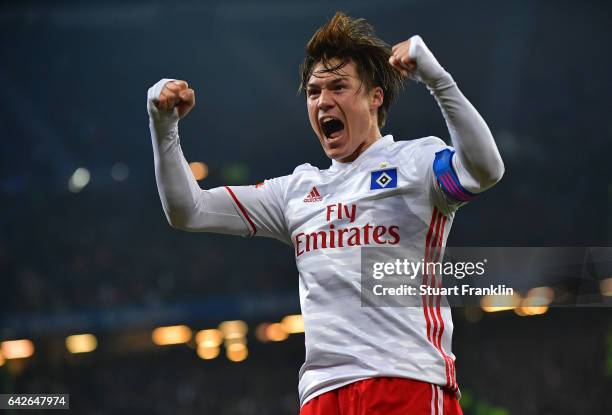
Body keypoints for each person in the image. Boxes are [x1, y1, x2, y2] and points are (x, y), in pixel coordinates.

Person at [147, 11, 503, 415]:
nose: (323, 101)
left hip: (405, 380)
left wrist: (438, 81)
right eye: (314, 92)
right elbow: (188, 210)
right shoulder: (294, 191)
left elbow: (485, 170)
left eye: (338, 87)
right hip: (321, 395)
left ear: (375, 97)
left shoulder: (416, 163)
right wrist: (163, 125)